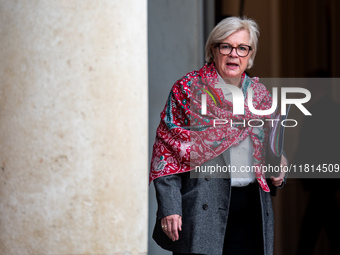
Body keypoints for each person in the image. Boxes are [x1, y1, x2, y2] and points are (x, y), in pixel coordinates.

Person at [150, 16, 287, 255]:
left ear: (249, 55)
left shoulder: (261, 95)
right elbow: (167, 150)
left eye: (242, 48)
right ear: (213, 50)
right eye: (226, 46)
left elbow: (271, 146)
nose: (234, 54)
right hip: (202, 208)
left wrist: (280, 166)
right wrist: (170, 207)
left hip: (253, 208)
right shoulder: (187, 89)